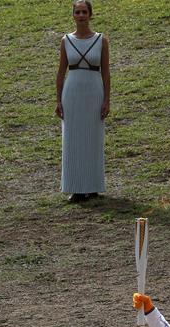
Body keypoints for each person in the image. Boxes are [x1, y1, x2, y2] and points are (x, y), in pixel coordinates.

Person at [55, 0, 109, 202]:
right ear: (73, 15)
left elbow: (106, 72)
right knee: (73, 139)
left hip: (94, 90)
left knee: (93, 139)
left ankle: (93, 186)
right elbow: (61, 72)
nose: (81, 15)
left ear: (90, 14)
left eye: (84, 11)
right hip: (73, 92)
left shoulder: (101, 40)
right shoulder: (66, 40)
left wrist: (107, 100)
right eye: (77, 12)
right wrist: (58, 100)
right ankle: (76, 188)